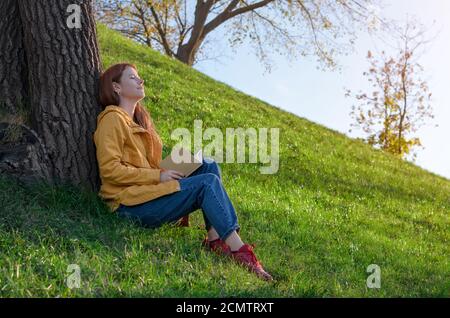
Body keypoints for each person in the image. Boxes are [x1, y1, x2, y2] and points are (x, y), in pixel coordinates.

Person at [93, 63, 273, 281]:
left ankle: (215, 240)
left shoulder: (136, 121)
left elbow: (143, 165)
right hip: (128, 206)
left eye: (139, 77)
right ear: (116, 87)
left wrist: (176, 164)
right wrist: (158, 176)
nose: (140, 81)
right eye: (132, 78)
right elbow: (110, 170)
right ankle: (240, 252)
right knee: (206, 183)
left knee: (205, 163)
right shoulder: (112, 119)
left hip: (146, 192)